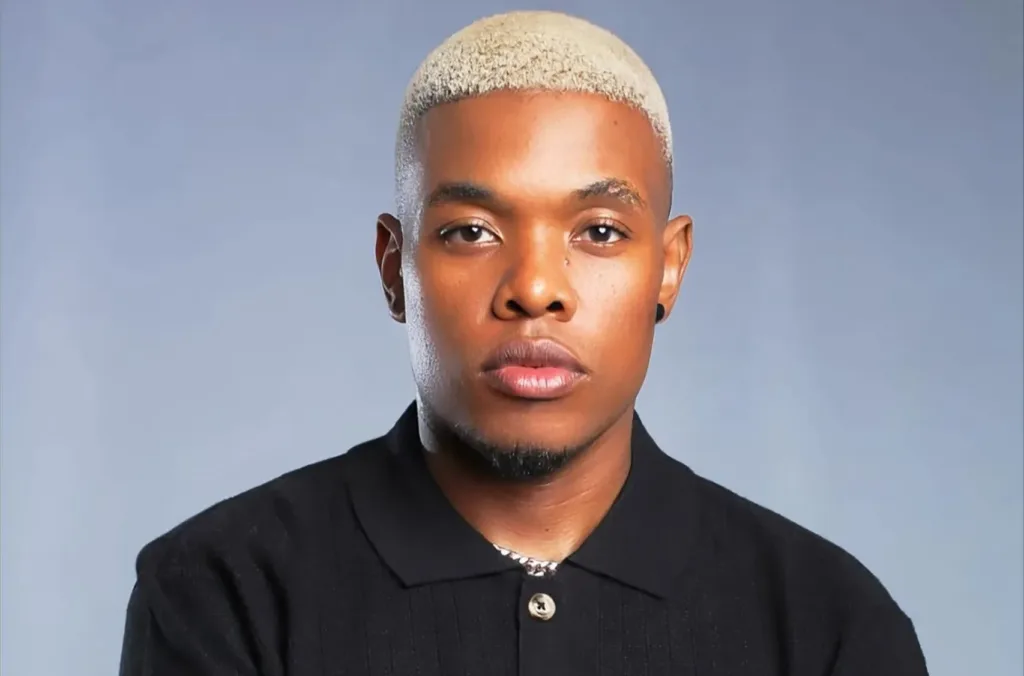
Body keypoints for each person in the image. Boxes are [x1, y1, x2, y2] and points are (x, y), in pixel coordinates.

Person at [119, 10, 929, 675]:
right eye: (470, 231)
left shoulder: (827, 623)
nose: (535, 288)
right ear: (395, 269)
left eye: (600, 231)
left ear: (669, 267)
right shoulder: (223, 593)